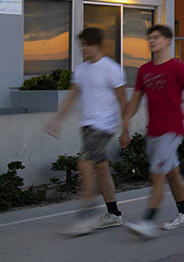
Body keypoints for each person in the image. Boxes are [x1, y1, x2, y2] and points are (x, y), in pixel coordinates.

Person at [123, 25, 184, 239]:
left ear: (167, 41)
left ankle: (147, 222)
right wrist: (125, 124)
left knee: (157, 175)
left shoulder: (178, 68)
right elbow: (136, 100)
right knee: (172, 172)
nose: (152, 41)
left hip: (172, 129)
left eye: (156, 37)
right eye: (150, 38)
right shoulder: (144, 70)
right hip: (153, 131)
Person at [45, 28, 128, 236]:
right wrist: (58, 119)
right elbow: (72, 97)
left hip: (105, 126)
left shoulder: (112, 69)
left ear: (97, 46)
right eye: (81, 44)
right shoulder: (81, 70)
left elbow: (123, 101)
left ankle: (86, 216)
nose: (83, 48)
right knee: (100, 169)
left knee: (84, 163)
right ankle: (114, 214)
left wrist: (125, 129)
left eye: (86, 45)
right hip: (87, 126)